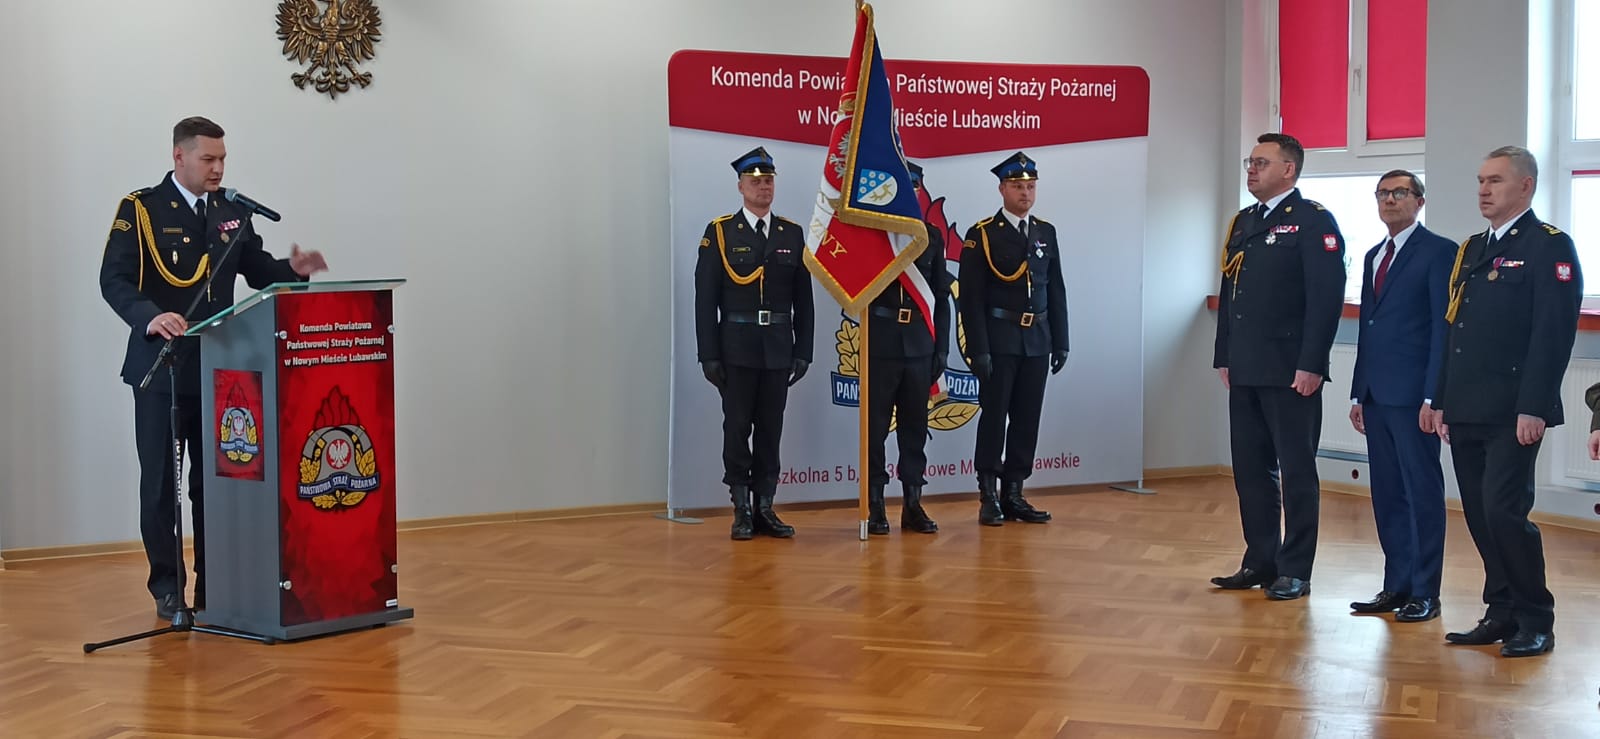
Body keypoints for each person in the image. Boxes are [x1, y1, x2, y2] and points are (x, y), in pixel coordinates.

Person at [100, 116, 329, 620]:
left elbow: (258, 271)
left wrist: (293, 271)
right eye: (208, 159)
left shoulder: (231, 212)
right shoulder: (142, 210)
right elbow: (113, 279)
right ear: (179, 156)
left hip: (219, 372)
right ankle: (167, 588)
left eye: (223, 159)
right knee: (162, 487)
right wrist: (149, 316)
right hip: (160, 371)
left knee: (216, 485)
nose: (218, 169)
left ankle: (214, 584)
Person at [1435, 146, 1581, 658]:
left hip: (1513, 409)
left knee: (1504, 512)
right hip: (1466, 405)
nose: (1483, 189)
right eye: (1480, 180)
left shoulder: (1548, 246)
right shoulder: (1473, 248)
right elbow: (1454, 331)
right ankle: (1500, 611)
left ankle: (1536, 617)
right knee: (1479, 513)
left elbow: (1553, 334)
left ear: (1525, 186)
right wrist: (1442, 399)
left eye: (1495, 180)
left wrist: (1535, 406)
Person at [1211, 132, 1346, 601]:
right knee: (1250, 470)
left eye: (1262, 163)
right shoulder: (1244, 221)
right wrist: (1224, 354)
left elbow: (1325, 299)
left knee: (1296, 472)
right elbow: (1230, 293)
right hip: (1246, 367)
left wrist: (1312, 364)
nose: (1252, 169)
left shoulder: (1312, 221)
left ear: (1289, 170)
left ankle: (1296, 568)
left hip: (1291, 371)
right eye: (1250, 162)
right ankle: (1260, 560)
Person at [1346, 170, 1453, 622]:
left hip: (1414, 398)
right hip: (1376, 394)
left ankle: (1425, 591)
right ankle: (1397, 585)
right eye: (1383, 193)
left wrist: (1433, 396)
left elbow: (1442, 330)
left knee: (1421, 492)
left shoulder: (1439, 252)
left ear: (1419, 201)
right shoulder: (1374, 255)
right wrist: (1358, 392)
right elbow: (1368, 329)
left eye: (1400, 193)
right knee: (1388, 494)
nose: (1389, 200)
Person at [694, 146, 815, 540]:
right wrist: (708, 354)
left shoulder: (791, 233)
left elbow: (804, 300)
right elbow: (705, 299)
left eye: (769, 180)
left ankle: (765, 505)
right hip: (736, 348)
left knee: (770, 429)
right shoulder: (721, 233)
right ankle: (741, 508)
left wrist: (803, 350)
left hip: (778, 348)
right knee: (736, 428)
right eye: (755, 181)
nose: (764, 187)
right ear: (740, 186)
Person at [958, 152, 1067, 526]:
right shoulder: (983, 234)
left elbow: (1055, 289)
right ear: (1002, 189)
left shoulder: (1045, 232)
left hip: (1037, 339)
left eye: (1031, 186)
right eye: (1018, 186)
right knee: (994, 417)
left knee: (1027, 419)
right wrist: (978, 349)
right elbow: (970, 299)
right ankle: (988, 494)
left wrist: (1061, 340)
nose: (1025, 193)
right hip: (999, 340)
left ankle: (1014, 492)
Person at [864, 161, 949, 535]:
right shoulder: (872, 233)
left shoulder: (931, 237)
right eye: (904, 185)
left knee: (915, 429)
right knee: (875, 430)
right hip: (881, 343)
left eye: (915, 187)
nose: (910, 193)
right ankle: (875, 504)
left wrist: (941, 349)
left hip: (919, 344)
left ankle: (913, 503)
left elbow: (941, 297)